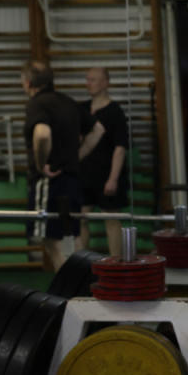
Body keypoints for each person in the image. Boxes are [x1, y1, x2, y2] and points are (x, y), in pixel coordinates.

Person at [22, 60, 104, 271]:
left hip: (50, 182)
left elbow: (42, 134)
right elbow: (98, 131)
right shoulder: (68, 102)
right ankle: (84, 287)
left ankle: (71, 292)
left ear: (28, 82)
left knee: (52, 240)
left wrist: (41, 165)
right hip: (71, 181)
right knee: (72, 236)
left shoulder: (37, 104)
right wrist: (76, 157)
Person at [76, 66, 129, 257]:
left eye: (93, 79)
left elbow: (120, 147)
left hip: (106, 173)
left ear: (105, 82)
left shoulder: (115, 112)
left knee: (111, 219)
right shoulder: (82, 109)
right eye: (87, 79)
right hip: (84, 173)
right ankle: (79, 262)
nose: (88, 83)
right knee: (79, 217)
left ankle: (116, 263)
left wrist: (113, 178)